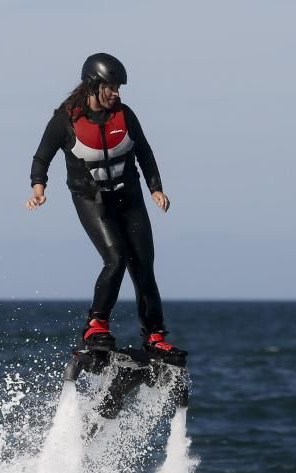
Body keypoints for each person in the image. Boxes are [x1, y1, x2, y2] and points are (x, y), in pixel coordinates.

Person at [26, 52, 184, 361]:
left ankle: (154, 335)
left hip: (130, 196)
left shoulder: (124, 115)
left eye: (118, 88)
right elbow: (41, 157)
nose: (116, 93)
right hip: (91, 199)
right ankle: (95, 325)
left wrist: (156, 189)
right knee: (116, 258)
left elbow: (145, 153)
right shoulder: (66, 120)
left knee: (144, 265)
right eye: (111, 87)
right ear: (93, 85)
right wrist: (38, 188)